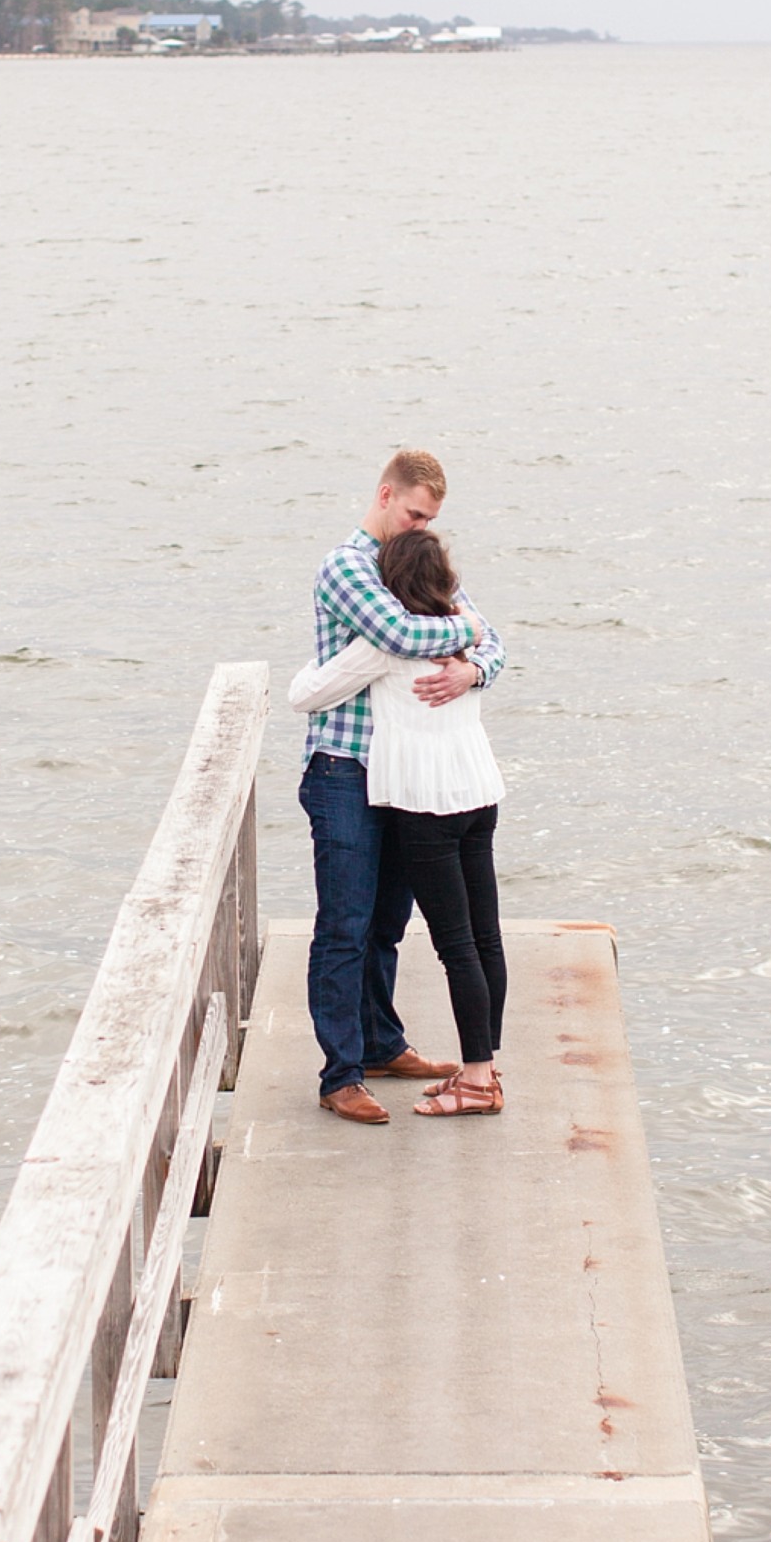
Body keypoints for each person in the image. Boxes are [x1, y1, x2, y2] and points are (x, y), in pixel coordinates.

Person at [296, 450, 506, 1124]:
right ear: (386, 494)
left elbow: (495, 646)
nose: (421, 525)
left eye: (431, 518)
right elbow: (398, 632)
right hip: (346, 767)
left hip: (408, 778)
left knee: (388, 922)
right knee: (345, 925)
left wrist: (473, 669)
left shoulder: (412, 555)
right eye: (415, 512)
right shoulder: (347, 566)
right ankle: (341, 1073)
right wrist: (465, 631)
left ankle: (383, 1044)